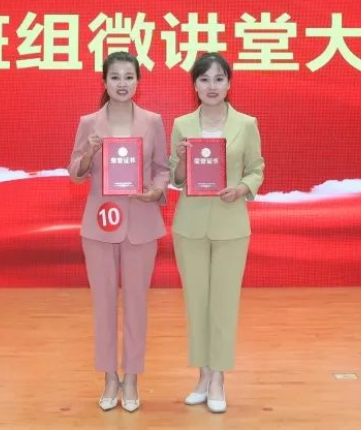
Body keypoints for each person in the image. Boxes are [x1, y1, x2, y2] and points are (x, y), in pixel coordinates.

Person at [67, 51, 169, 412]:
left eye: (129, 76)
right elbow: (75, 172)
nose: (122, 83)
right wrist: (89, 154)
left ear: (138, 81)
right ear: (104, 81)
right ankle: (110, 377)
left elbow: (162, 169)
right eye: (115, 77)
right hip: (99, 225)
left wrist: (156, 190)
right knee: (104, 304)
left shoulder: (153, 121)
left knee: (137, 304)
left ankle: (132, 378)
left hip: (141, 223)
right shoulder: (89, 123)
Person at [168, 52, 264, 413]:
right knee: (197, 303)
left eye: (219, 79)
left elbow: (256, 169)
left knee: (223, 304)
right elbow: (176, 178)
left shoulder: (246, 124)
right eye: (204, 79)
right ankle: (202, 376)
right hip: (190, 226)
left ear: (229, 84)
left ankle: (219, 378)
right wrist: (180, 160)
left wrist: (241, 189)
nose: (212, 86)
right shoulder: (182, 125)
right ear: (194, 85)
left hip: (231, 225)